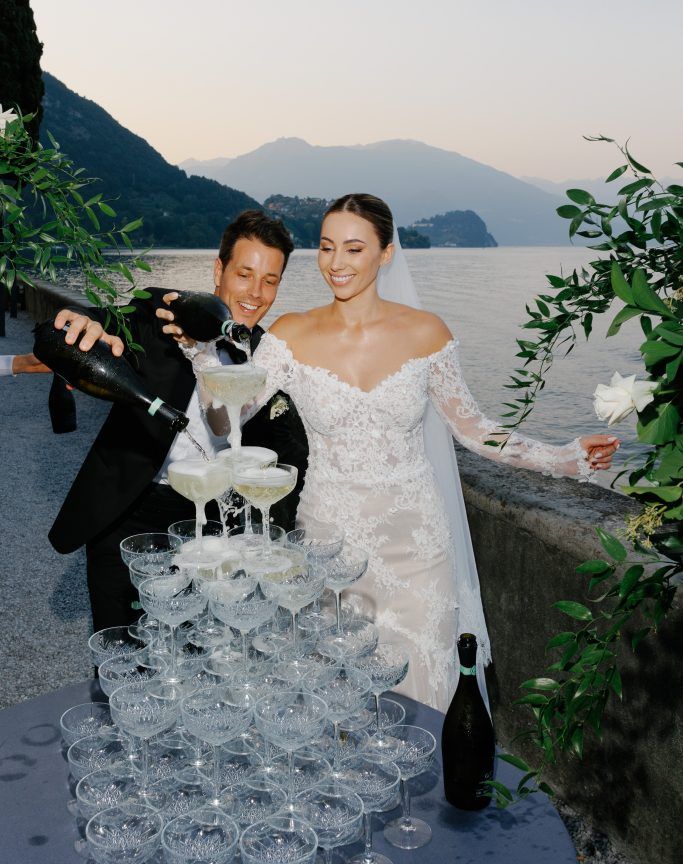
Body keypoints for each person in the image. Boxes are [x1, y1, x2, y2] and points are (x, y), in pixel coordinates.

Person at [181, 194, 618, 711]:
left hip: (417, 544)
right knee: (335, 691)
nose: (336, 263)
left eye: (353, 248)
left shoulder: (426, 333)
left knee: (424, 689)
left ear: (385, 254)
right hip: (329, 540)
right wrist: (203, 359)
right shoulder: (290, 335)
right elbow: (225, 420)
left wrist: (563, 457)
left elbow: (473, 429)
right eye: (326, 248)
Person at [47, 210, 309, 632]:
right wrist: (83, 324)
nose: (256, 293)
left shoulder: (266, 355)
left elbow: (285, 446)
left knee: (199, 653)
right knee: (120, 645)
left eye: (271, 280)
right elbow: (102, 322)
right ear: (219, 270)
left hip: (217, 524)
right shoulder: (159, 310)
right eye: (245, 274)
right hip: (131, 510)